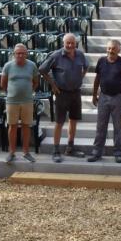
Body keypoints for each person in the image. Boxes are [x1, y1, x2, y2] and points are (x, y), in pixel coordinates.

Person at [39, 33, 89, 162]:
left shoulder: (80, 54)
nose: (70, 45)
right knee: (59, 122)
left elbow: (86, 66)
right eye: (68, 43)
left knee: (73, 120)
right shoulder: (56, 56)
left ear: (75, 43)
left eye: (72, 43)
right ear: (63, 43)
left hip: (75, 92)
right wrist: (53, 85)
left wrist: (80, 78)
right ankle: (56, 150)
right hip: (62, 93)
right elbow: (42, 69)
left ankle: (70, 147)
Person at [89, 39, 121, 163]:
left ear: (118, 49)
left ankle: (118, 152)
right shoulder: (101, 61)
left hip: (118, 98)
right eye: (109, 48)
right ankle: (97, 152)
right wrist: (93, 95)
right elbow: (97, 79)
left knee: (118, 127)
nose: (110, 51)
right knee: (100, 126)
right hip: (103, 97)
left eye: (113, 48)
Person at [0, 43, 39, 164]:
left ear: (26, 54)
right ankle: (11, 152)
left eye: (23, 53)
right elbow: (3, 84)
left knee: (26, 126)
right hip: (12, 101)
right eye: (18, 53)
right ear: (14, 54)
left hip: (27, 101)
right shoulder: (8, 66)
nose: (20, 55)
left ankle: (26, 152)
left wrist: (29, 92)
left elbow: (36, 82)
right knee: (12, 126)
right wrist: (12, 92)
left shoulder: (32, 65)